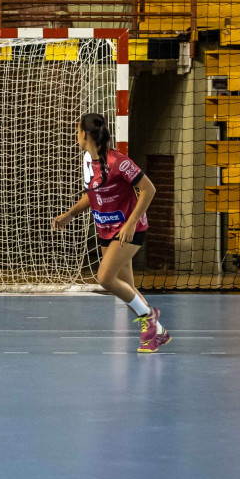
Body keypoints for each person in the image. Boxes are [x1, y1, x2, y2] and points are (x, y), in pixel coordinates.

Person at [52, 113, 170, 353]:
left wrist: (130, 223)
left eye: (77, 130)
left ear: (84, 134)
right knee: (127, 291)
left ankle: (150, 319)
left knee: (104, 278)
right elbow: (92, 195)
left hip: (129, 230)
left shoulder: (118, 161)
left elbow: (149, 189)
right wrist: (69, 214)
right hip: (106, 228)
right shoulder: (88, 161)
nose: (76, 135)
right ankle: (157, 333)